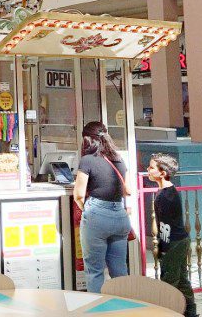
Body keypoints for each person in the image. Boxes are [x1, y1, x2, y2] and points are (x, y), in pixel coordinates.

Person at [73, 121, 131, 293]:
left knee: (95, 271)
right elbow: (127, 190)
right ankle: (124, 309)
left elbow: (78, 194)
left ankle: (96, 311)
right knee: (119, 271)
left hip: (97, 215)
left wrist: (88, 209)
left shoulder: (87, 160)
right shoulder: (119, 160)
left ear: (87, 139)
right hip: (120, 216)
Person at [148, 154, 197, 317]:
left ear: (162, 173)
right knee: (182, 280)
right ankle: (190, 312)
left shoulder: (165, 196)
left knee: (169, 283)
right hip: (180, 240)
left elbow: (166, 227)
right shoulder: (167, 191)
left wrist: (163, 249)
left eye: (152, 167)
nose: (148, 169)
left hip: (174, 243)